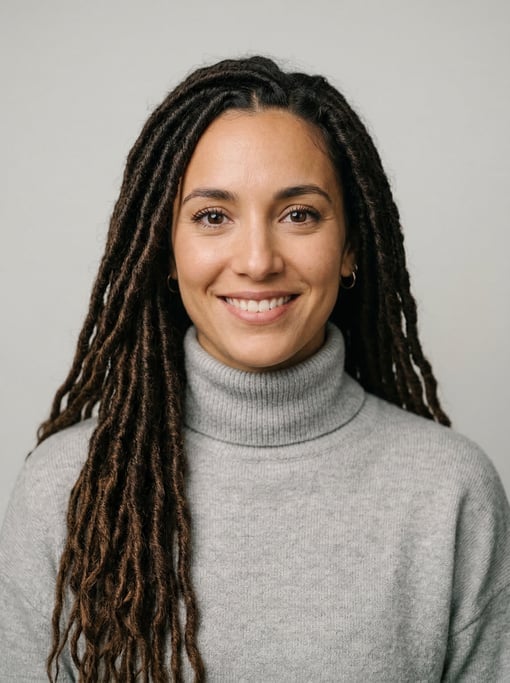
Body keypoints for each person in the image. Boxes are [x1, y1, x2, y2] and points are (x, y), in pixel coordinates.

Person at [0, 56, 509, 683]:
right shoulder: (65, 490)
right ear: (165, 248)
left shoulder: (450, 493)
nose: (258, 260)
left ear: (350, 246)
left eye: (299, 214)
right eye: (213, 216)